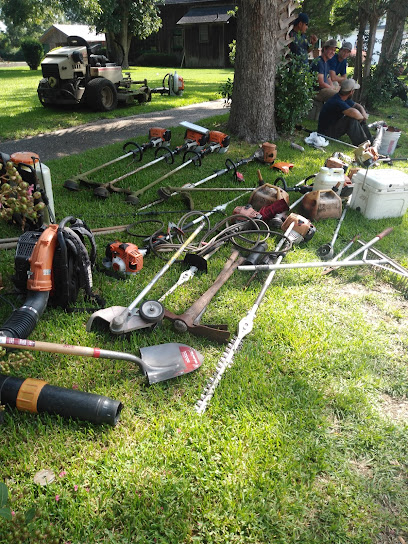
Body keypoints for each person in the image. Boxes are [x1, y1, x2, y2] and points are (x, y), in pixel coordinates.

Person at [318, 78, 373, 146]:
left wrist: (363, 113)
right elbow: (354, 113)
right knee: (351, 120)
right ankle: (362, 144)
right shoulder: (337, 101)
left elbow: (357, 105)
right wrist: (362, 117)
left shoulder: (343, 97)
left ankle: (370, 141)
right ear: (351, 92)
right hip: (326, 133)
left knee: (357, 117)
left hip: (332, 127)